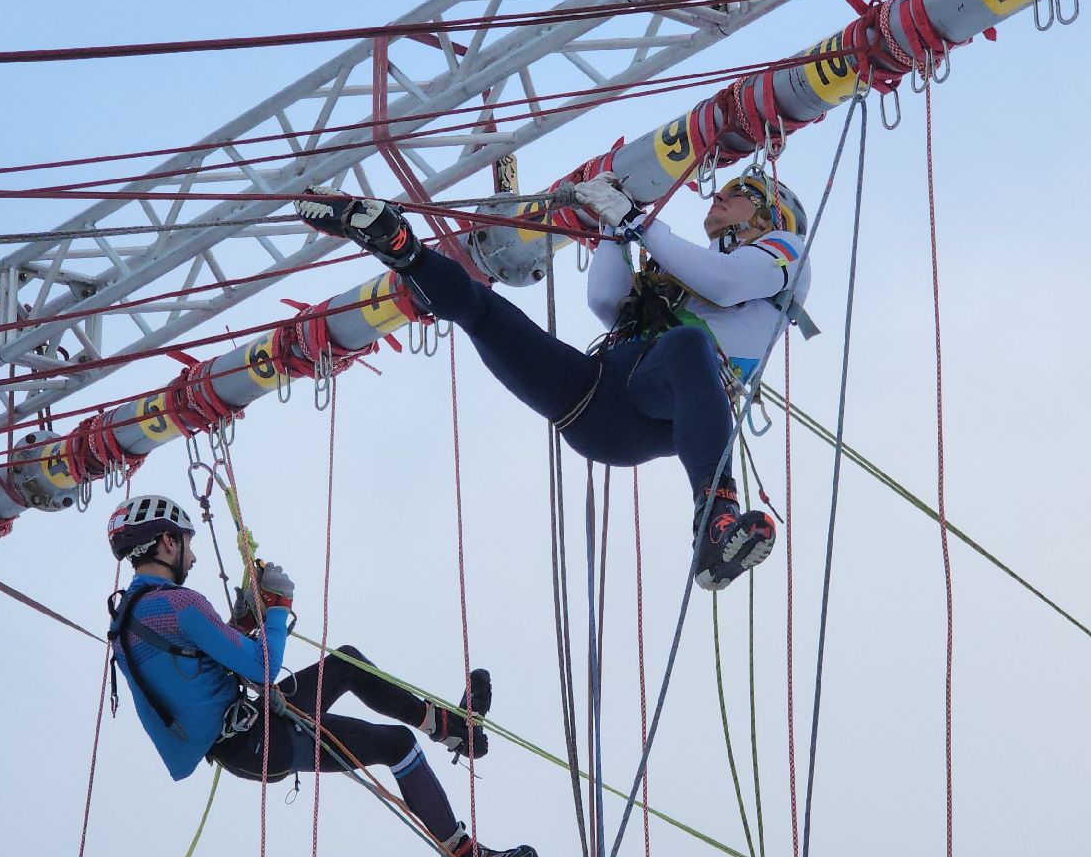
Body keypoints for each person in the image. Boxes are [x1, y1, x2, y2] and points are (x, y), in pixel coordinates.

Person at [296, 167, 811, 591]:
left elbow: (726, 284)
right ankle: (402, 246)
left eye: (740, 192)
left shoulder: (786, 254)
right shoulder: (683, 267)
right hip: (599, 396)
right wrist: (614, 228)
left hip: (661, 409)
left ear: (770, 214)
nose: (719, 193)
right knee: (483, 312)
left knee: (688, 345)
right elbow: (607, 304)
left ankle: (716, 518)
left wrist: (635, 219)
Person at [103, 493, 537, 857]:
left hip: (246, 733)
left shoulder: (129, 618)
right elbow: (264, 668)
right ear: (165, 542)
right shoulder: (179, 604)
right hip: (256, 739)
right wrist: (277, 607)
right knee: (397, 745)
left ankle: (452, 729)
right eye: (185, 544)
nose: (192, 558)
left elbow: (197, 668)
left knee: (346, 663)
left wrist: (241, 623)